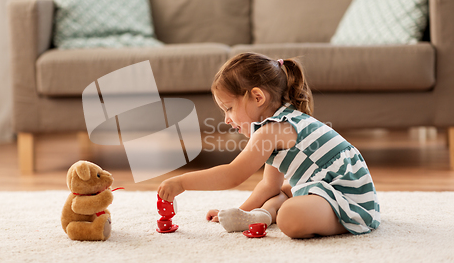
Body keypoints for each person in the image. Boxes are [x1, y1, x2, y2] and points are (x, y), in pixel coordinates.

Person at [157, 52, 380, 238]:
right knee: (282, 190)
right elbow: (268, 186)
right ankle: (261, 214)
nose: (226, 119)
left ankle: (348, 219)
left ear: (257, 97)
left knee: (290, 217)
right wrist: (240, 212)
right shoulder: (281, 122)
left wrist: (182, 182)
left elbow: (232, 175)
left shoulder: (271, 130)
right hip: (326, 187)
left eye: (229, 108)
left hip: (350, 197)